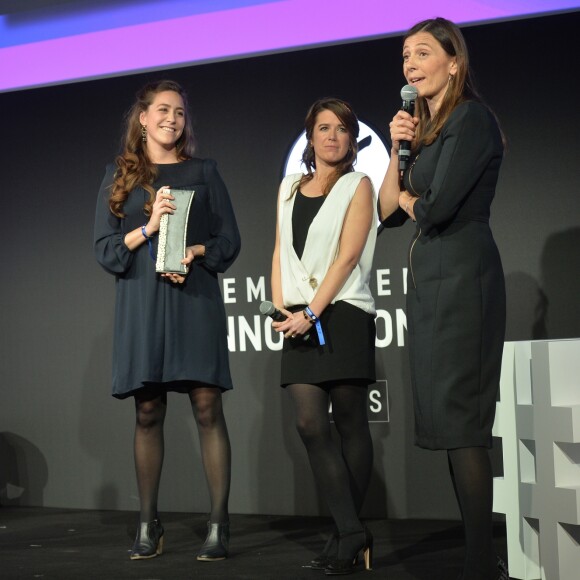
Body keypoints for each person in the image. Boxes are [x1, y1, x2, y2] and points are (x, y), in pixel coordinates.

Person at [378, 18, 508, 580]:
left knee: (464, 425)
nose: (410, 63)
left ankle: (482, 564)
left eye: (423, 52)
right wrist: (397, 148)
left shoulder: (472, 119)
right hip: (431, 280)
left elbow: (435, 209)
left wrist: (412, 199)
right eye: (405, 54)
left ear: (453, 62)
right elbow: (388, 211)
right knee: (452, 429)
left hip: (462, 275)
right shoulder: (425, 131)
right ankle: (478, 559)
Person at [93, 80, 240, 562]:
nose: (171, 119)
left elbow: (229, 240)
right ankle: (148, 523)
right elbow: (106, 251)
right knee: (148, 412)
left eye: (179, 112)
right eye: (162, 110)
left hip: (193, 301)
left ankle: (218, 526)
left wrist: (196, 251)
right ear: (142, 118)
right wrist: (148, 228)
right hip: (143, 304)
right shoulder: (119, 175)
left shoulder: (204, 170)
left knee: (206, 409)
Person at [270, 97, 376, 575]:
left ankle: (345, 536)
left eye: (341, 129)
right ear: (310, 138)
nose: (332, 136)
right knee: (311, 424)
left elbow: (349, 256)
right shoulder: (289, 187)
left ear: (351, 139)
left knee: (351, 422)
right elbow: (279, 249)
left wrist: (312, 312)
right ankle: (353, 530)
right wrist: (281, 304)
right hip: (297, 317)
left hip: (344, 312)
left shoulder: (360, 184)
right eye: (323, 128)